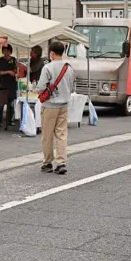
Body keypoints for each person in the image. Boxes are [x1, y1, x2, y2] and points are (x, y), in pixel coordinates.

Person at [37, 41, 75, 175]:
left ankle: (48, 163)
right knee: (61, 134)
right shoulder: (69, 68)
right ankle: (61, 163)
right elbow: (72, 86)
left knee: (47, 135)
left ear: (52, 53)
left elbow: (41, 87)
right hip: (64, 104)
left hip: (50, 105)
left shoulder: (47, 67)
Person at [0, 45, 18, 127]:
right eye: (4, 51)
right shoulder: (0, 60)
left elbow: (16, 69)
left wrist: (15, 71)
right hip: (2, 84)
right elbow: (0, 72)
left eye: (8, 51)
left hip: (12, 84)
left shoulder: (14, 59)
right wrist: (8, 71)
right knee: (1, 103)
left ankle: (10, 120)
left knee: (11, 103)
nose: (6, 52)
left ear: (10, 51)